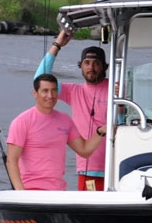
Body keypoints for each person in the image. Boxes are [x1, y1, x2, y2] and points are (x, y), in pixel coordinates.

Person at [35, 30, 109, 190]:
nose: (91, 67)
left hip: (119, 168)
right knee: (91, 213)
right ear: (80, 66)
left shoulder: (117, 89)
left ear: (104, 66)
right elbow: (39, 80)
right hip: (90, 170)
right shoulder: (74, 92)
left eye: (96, 63)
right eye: (87, 63)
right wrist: (57, 45)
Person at [6, 73, 106, 191]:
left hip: (58, 192)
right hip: (31, 191)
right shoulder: (22, 121)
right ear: (35, 93)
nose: (50, 95)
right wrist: (20, 193)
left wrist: (100, 132)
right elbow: (11, 160)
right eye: (45, 91)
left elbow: (84, 150)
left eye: (54, 90)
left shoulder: (65, 120)